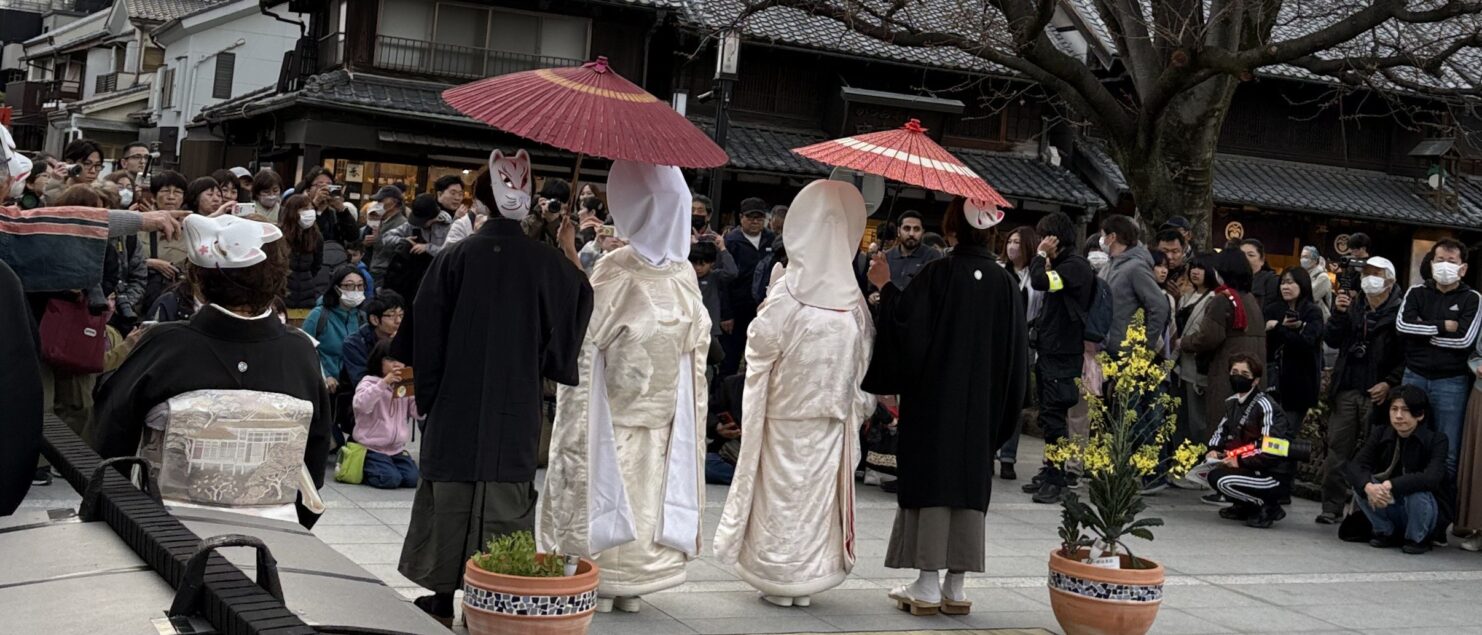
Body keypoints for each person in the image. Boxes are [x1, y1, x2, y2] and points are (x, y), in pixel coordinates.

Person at [399, 149, 592, 626]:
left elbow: (425, 326)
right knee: (507, 495)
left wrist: (429, 391)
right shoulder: (547, 262)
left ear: (480, 200)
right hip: (516, 397)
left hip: (455, 396)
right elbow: (580, 300)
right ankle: (491, 598)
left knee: (450, 492)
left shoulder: (455, 256)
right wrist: (567, 247)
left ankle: (441, 597)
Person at [538, 161, 707, 614]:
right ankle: (616, 579)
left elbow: (587, 332)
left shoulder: (653, 270)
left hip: (647, 410)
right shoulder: (653, 272)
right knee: (630, 490)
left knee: (633, 493)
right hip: (629, 409)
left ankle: (624, 580)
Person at [90, 214, 331, 527]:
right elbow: (314, 453)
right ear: (277, 278)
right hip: (274, 528)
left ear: (198, 280)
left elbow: (110, 437)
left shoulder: (165, 345)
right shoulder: (300, 352)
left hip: (164, 526)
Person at [863, 197, 1027, 616]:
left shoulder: (938, 273)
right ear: (992, 232)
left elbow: (907, 331)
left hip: (935, 402)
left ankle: (927, 583)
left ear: (951, 229)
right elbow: (1016, 357)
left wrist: (885, 285)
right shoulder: (1006, 283)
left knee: (932, 477)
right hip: (983, 404)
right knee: (969, 481)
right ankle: (956, 586)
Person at [714, 180, 874, 608]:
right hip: (830, 413)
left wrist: (767, 304)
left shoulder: (790, 289)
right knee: (816, 499)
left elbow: (759, 346)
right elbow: (863, 356)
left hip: (786, 411)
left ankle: (776, 574)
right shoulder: (852, 300)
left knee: (780, 494)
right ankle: (807, 577)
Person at [1318, 257, 1403, 524]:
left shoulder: (1400, 312)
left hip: (1378, 391)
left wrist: (1389, 382)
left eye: (1376, 274)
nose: (1369, 279)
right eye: (1366, 273)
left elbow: (1406, 356)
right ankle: (1331, 506)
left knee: (1373, 453)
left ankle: (1365, 511)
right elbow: (1332, 339)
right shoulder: (1354, 306)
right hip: (1347, 386)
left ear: (1390, 280)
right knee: (1337, 450)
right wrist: (1339, 313)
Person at [1182, 249, 1267, 507]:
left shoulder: (1222, 300)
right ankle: (1240, 483)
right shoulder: (1250, 299)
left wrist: (1184, 342)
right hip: (1252, 373)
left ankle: (1223, 484)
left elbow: (1208, 337)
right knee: (1246, 431)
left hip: (1228, 373)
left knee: (1222, 428)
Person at [1022, 213, 1095, 503]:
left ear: (1054, 238)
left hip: (1063, 354)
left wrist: (1040, 256)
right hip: (1052, 350)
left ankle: (1057, 477)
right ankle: (1051, 469)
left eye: (1044, 237)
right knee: (1049, 415)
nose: (1041, 242)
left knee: (1055, 417)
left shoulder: (1075, 267)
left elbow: (1040, 282)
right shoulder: (1066, 265)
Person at [1396, 238, 1481, 477]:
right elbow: (1402, 327)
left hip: (1451, 382)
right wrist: (1442, 326)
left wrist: (1423, 332)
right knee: (1408, 439)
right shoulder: (1416, 292)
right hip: (1414, 375)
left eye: (1451, 261)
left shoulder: (1473, 298)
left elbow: (1465, 341)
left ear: (1463, 268)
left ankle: (1443, 499)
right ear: (1432, 263)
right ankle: (1404, 490)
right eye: (1440, 259)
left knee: (1448, 447)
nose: (1445, 265)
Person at [1345, 385, 1448, 554]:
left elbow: (1431, 478)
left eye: (1405, 410)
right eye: (1394, 409)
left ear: (1420, 414)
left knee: (1417, 492)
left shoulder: (1437, 440)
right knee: (1363, 484)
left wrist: (1392, 485)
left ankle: (1416, 538)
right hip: (1389, 504)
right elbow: (1355, 466)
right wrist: (1369, 487)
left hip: (1423, 512)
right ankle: (1385, 531)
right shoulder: (1381, 433)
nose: (1398, 416)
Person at [1205, 353, 1293, 528]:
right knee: (1210, 472)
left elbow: (1273, 449)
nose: (1238, 377)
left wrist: (1239, 460)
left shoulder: (1266, 405)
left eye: (1244, 374)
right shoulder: (1232, 403)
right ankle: (1243, 506)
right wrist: (1214, 449)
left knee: (1221, 480)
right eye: (1234, 372)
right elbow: (1220, 431)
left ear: (1255, 380)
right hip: (1249, 467)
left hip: (1272, 474)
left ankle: (1267, 506)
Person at [995, 225, 1042, 479]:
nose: (1012, 246)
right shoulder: (998, 271)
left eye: (1018, 242)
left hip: (1025, 341)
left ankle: (1008, 456)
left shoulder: (1038, 276)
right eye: (1010, 241)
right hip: (998, 339)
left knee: (1015, 401)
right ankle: (989, 450)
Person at [1099, 214, 1171, 357]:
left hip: (1124, 352)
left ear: (1112, 237)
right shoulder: (1110, 264)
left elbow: (1159, 306)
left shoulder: (1136, 267)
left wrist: (1144, 347)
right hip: (1104, 347)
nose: (1101, 240)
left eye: (1103, 235)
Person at [353, 340, 420, 489]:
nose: (396, 365)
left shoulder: (404, 385)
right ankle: (364, 467)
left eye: (401, 360)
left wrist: (418, 393)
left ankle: (388, 467)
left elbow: (417, 413)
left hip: (396, 449)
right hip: (372, 448)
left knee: (413, 479)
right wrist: (383, 384)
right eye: (390, 360)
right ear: (379, 361)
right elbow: (361, 405)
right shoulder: (368, 382)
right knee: (389, 479)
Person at [720, 196, 776, 375]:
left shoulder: (772, 239)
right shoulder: (730, 241)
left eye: (759, 218)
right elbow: (723, 281)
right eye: (750, 217)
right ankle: (723, 391)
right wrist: (726, 314)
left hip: (763, 308)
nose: (755, 221)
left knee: (758, 358)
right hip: (737, 308)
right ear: (741, 217)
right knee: (730, 358)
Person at [1263, 266, 1325, 428]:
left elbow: (1306, 343)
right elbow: (1265, 345)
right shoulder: (1272, 309)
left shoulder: (1312, 312)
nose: (1285, 287)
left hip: (1299, 385)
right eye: (1283, 282)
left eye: (1290, 282)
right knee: (1267, 431)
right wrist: (1273, 329)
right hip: (1272, 381)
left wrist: (1279, 328)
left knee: (1284, 433)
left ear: (1302, 284)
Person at [303, 267, 367, 421]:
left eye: (360, 286)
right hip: (326, 389)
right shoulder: (319, 315)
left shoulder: (362, 317)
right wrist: (325, 375)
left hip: (354, 389)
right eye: (349, 285)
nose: (355, 290)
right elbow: (304, 350)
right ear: (337, 288)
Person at [1174, 255, 1219, 456]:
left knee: (1197, 419)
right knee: (1181, 416)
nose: (1195, 272)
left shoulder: (1213, 298)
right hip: (1180, 365)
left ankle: (1198, 458)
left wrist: (1186, 343)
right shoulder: (1186, 296)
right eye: (1193, 267)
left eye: (1201, 268)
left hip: (1197, 366)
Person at [380, 193, 452, 303]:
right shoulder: (412, 225)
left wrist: (428, 248)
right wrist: (403, 241)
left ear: (433, 217)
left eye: (423, 221)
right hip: (411, 279)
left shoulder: (448, 227)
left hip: (436, 277)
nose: (420, 224)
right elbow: (386, 237)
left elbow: (450, 253)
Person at [343, 290, 404, 387]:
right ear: (374, 319)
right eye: (392, 315)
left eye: (401, 315)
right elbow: (361, 382)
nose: (398, 321)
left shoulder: (405, 338)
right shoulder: (354, 344)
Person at [279, 194, 327, 311]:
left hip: (307, 296)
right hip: (282, 294)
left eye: (311, 208)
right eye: (305, 209)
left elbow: (316, 265)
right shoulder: (279, 235)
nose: (309, 212)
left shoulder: (316, 237)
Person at [885, 210, 944, 289]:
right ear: (898, 231)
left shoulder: (933, 257)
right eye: (907, 228)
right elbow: (874, 287)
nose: (911, 234)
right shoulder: (886, 257)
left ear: (922, 232)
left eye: (916, 229)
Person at [298, 167, 358, 245]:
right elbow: (301, 234)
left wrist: (341, 209)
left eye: (329, 185)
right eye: (319, 184)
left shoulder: (335, 213)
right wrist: (315, 203)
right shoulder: (300, 209)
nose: (325, 188)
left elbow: (353, 236)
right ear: (308, 190)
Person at [367, 185, 409, 279]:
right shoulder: (380, 220)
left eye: (380, 201)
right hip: (374, 271)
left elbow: (398, 250)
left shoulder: (402, 224)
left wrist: (378, 240)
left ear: (393, 203)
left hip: (386, 274)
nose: (377, 204)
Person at [1240, 239, 1282, 311]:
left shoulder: (1272, 280)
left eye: (1251, 255)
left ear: (1262, 260)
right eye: (1241, 255)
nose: (1245, 258)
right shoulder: (1233, 280)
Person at [1154, 229, 1191, 298]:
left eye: (1175, 251)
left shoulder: (1191, 276)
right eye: (1165, 251)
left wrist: (1179, 298)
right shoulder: (1145, 270)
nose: (1169, 257)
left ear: (1183, 252)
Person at [1301, 246, 1333, 319]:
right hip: (1306, 315)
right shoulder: (1304, 275)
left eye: (1306, 257)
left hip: (1319, 318)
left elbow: (1309, 297)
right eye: (1301, 257)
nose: (1302, 260)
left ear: (1315, 260)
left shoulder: (1323, 277)